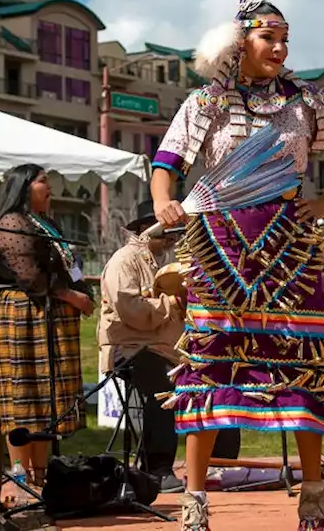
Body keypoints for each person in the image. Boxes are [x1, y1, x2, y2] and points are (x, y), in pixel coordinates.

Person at [148, 0, 324, 531]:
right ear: (239, 43)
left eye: (285, 39)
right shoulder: (205, 104)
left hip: (288, 246)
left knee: (301, 356)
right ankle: (195, 500)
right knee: (209, 361)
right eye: (269, 37)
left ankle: (314, 492)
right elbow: (165, 163)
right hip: (218, 245)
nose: (279, 49)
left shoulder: (310, 103)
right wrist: (166, 202)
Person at [98, 200, 239, 493]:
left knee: (214, 379)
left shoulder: (160, 261)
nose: (173, 238)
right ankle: (157, 470)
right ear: (144, 230)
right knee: (166, 389)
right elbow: (128, 308)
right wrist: (171, 303)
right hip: (131, 349)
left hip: (164, 347)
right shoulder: (124, 260)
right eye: (166, 232)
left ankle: (218, 463)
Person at [0, 164, 95, 505]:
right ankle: (20, 478)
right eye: (42, 181)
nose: (50, 187)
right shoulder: (12, 222)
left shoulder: (48, 223)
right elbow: (31, 277)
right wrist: (72, 296)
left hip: (51, 317)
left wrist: (81, 291)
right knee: (24, 395)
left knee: (46, 401)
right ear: (23, 186)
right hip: (24, 315)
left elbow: (64, 267)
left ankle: (42, 477)